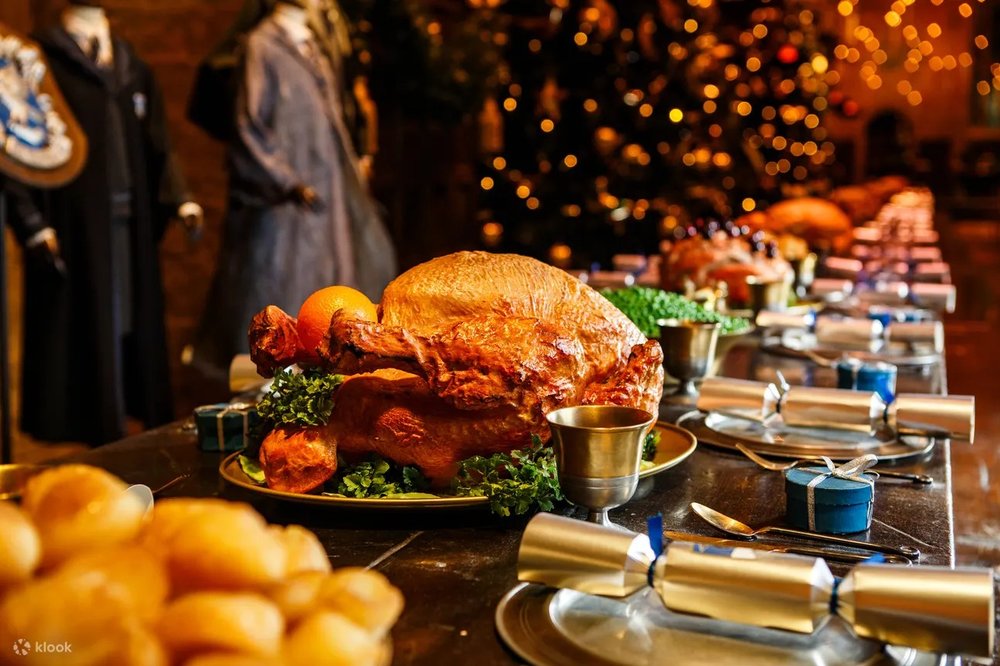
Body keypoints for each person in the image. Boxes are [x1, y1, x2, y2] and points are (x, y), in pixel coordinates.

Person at [9, 1, 202, 445]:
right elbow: (17, 151)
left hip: (130, 222)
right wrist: (33, 222)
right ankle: (95, 435)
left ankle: (125, 428)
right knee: (86, 325)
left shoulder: (130, 63)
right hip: (73, 224)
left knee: (129, 324)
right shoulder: (39, 62)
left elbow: (159, 143)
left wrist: (181, 199)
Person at [192, 0, 396, 380]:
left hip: (327, 192)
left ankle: (329, 375)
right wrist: (287, 180)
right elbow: (250, 127)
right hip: (287, 206)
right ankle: (273, 385)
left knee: (333, 288)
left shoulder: (314, 45)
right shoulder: (262, 46)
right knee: (282, 288)